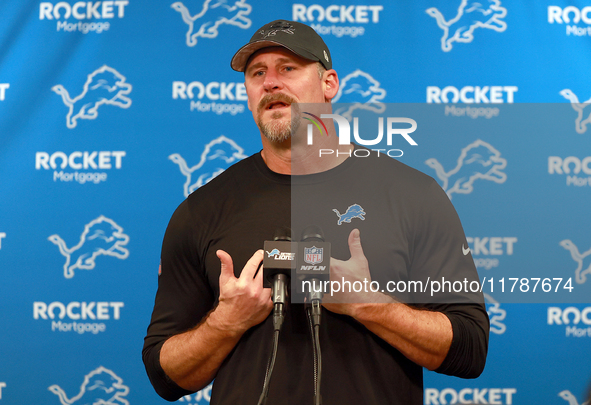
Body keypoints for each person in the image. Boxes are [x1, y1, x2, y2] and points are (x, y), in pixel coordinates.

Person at [143, 19, 489, 404]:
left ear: (329, 84)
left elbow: (471, 349)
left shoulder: (412, 195)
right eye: (258, 73)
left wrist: (370, 305)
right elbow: (165, 376)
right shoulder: (203, 209)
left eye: (287, 68)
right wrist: (226, 323)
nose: (270, 83)